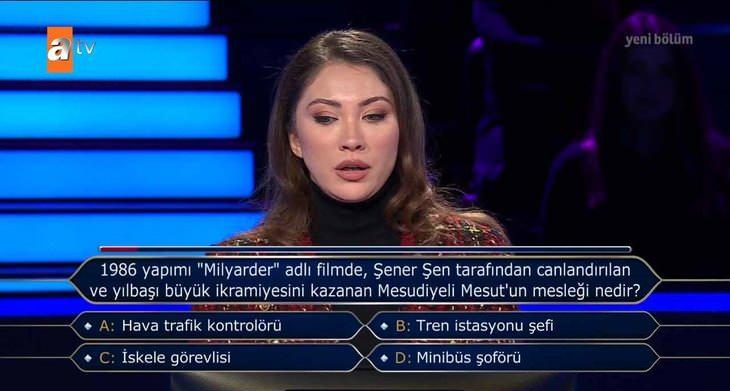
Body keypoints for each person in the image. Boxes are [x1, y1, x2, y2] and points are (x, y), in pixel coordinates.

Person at [194, 29, 513, 315]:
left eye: (373, 116)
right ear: (295, 140)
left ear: (402, 130)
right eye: (326, 118)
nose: (352, 140)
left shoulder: (471, 253)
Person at [541, 12, 729, 277]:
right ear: (616, 77)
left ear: (682, 81)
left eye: (664, 72)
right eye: (636, 70)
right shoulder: (575, 170)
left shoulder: (720, 165)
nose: (649, 86)